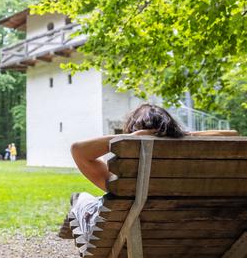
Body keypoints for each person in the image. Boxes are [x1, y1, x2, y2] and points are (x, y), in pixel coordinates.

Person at [69, 103, 239, 241]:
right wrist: (180, 136)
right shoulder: (194, 174)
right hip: (188, 233)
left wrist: (132, 139)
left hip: (127, 235)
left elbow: (77, 150)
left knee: (81, 199)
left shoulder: (127, 178)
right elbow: (233, 134)